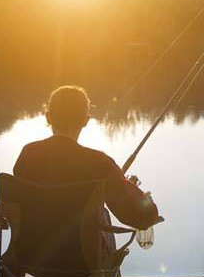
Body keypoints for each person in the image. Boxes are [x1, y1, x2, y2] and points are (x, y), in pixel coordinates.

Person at [14, 85, 160, 231]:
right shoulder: (100, 163)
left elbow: (17, 205)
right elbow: (142, 218)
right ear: (86, 120)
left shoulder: (28, 154)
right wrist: (145, 201)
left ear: (48, 117)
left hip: (26, 252)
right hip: (80, 253)